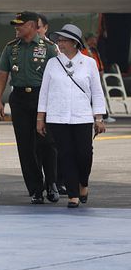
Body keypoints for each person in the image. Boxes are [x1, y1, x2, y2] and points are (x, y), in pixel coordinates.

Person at [37, 24, 106, 208]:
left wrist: (98, 117)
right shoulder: (52, 63)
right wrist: (40, 118)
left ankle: (83, 182)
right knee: (65, 155)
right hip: (57, 117)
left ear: (75, 43)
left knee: (84, 155)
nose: (60, 43)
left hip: (82, 117)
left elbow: (97, 92)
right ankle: (73, 194)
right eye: (59, 40)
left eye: (64, 40)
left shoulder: (89, 63)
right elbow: (44, 92)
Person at [0, 11, 59, 204]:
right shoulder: (11, 48)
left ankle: (52, 183)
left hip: (43, 97)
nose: (17, 27)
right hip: (20, 99)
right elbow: (3, 74)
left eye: (20, 24)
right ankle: (35, 189)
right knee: (25, 146)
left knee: (47, 143)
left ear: (32, 25)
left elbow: (57, 76)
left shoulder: (48, 48)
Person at [35, 13, 62, 196]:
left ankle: (54, 182)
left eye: (39, 27)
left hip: (49, 100)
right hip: (28, 100)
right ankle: (37, 185)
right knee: (33, 146)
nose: (36, 30)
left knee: (51, 143)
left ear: (45, 28)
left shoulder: (53, 49)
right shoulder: (18, 46)